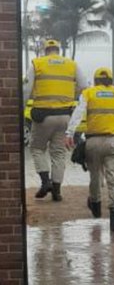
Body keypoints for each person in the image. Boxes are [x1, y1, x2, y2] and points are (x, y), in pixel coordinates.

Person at [65, 67, 114, 232]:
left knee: (95, 176)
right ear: (111, 80)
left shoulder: (89, 93)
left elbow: (78, 113)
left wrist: (70, 133)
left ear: (96, 80)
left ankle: (96, 207)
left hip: (93, 141)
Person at [25, 39, 86, 201]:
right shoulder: (71, 64)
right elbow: (84, 85)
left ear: (45, 51)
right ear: (58, 50)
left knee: (37, 148)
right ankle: (57, 191)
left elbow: (26, 88)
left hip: (43, 116)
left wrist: (23, 106)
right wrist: (71, 96)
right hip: (65, 115)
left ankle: (46, 182)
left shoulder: (37, 63)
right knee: (58, 153)